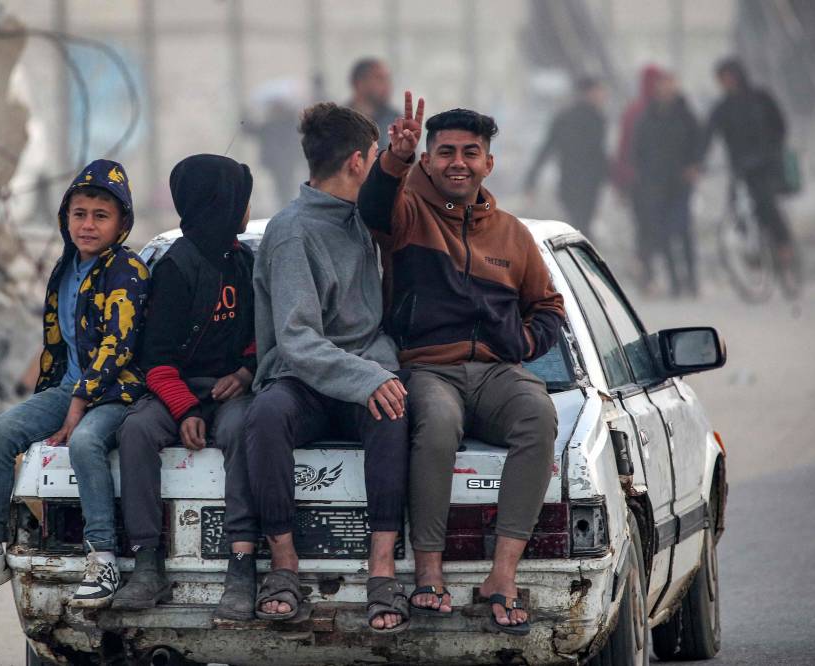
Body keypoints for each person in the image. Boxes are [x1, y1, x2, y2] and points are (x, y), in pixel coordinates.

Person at [359, 103, 566, 635]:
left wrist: (520, 341)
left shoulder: (514, 234)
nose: (458, 162)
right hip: (430, 369)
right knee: (436, 426)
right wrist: (393, 160)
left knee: (538, 416)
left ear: (487, 164)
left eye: (469, 153)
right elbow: (374, 210)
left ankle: (502, 575)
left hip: (497, 373)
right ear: (428, 159)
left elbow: (549, 307)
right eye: (445, 151)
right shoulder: (408, 212)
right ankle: (429, 572)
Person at [0, 160, 150, 608]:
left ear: (122, 222)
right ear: (65, 217)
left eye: (101, 216)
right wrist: (50, 403)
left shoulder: (127, 270)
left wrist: (77, 406)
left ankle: (101, 558)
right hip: (69, 387)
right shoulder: (65, 270)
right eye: (79, 214)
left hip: (117, 391)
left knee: (83, 443)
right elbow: (58, 348)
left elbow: (118, 346)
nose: (87, 225)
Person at [245, 102, 411, 633]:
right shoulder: (294, 232)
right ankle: (284, 562)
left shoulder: (358, 216)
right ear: (358, 162)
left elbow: (401, 199)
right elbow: (296, 340)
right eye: (375, 158)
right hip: (305, 381)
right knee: (267, 414)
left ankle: (382, 569)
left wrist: (403, 157)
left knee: (393, 410)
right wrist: (367, 379)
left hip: (364, 374)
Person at [112, 155, 259, 618]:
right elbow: (155, 360)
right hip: (179, 388)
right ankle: (147, 561)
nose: (245, 210)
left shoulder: (245, 263)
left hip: (231, 389)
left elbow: (260, 338)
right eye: (240, 199)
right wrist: (184, 411)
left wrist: (246, 374)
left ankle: (242, 565)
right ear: (219, 203)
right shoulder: (175, 268)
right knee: (135, 432)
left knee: (243, 432)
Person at [703, 57, 792, 263]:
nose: (726, 82)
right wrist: (698, 161)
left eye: (729, 77)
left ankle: (783, 244)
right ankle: (751, 251)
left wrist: (772, 149)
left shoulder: (760, 98)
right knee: (737, 206)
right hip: (740, 166)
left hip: (766, 163)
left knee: (766, 204)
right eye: (722, 79)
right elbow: (707, 134)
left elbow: (779, 126)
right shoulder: (723, 107)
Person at [633, 72, 702, 298]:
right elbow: (638, 150)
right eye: (662, 87)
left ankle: (691, 279)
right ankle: (675, 282)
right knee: (663, 234)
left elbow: (698, 143)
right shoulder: (647, 116)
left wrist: (694, 166)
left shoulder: (686, 115)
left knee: (683, 231)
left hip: (680, 184)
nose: (665, 91)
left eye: (669, 86)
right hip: (656, 184)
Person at [524, 77, 609, 239]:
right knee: (582, 225)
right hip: (585, 181)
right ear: (588, 93)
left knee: (579, 224)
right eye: (599, 91)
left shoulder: (568, 117)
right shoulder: (594, 119)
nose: (602, 96)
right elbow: (599, 154)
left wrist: (531, 179)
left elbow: (546, 149)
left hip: (572, 180)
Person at [612, 65, 665, 291]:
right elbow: (626, 150)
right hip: (645, 183)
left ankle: (645, 271)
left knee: (645, 230)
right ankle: (646, 273)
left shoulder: (635, 111)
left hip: (641, 182)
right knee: (648, 229)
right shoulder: (645, 112)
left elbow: (623, 149)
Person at [346, 58, 401, 150]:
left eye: (388, 79)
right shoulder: (340, 120)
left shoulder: (394, 119)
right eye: (379, 79)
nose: (387, 85)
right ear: (360, 83)